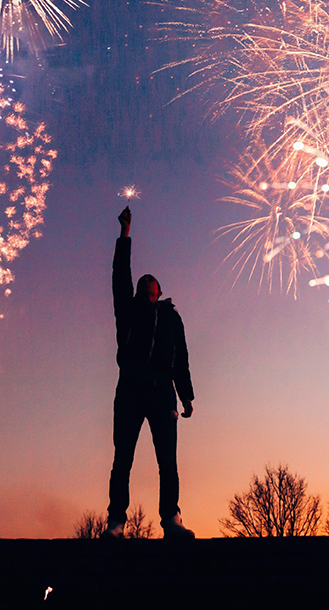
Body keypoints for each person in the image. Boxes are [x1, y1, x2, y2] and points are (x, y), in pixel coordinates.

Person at [103, 205, 195, 539]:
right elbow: (119, 275)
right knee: (122, 458)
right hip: (129, 388)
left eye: (149, 283)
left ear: (158, 291)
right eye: (140, 283)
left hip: (161, 391)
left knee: (167, 461)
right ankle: (116, 522)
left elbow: (181, 357)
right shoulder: (127, 311)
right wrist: (125, 234)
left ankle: (171, 519)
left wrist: (186, 394)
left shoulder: (171, 318)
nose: (144, 284)